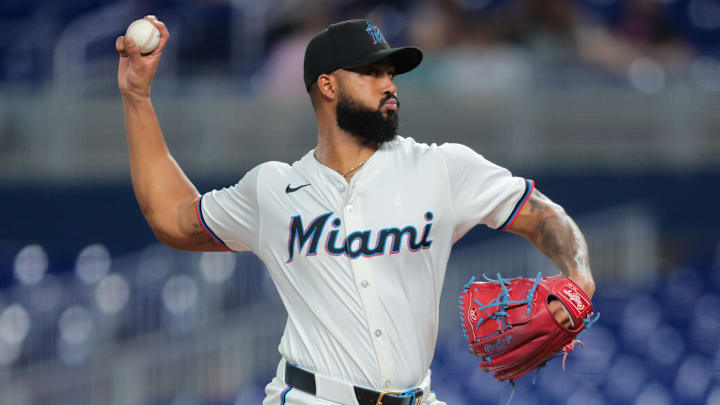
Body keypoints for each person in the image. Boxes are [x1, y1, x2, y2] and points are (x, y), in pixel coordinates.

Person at [116, 16, 596, 405]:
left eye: (390, 73)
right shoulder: (273, 189)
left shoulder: (441, 168)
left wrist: (579, 276)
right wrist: (136, 97)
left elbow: (542, 215)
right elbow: (172, 216)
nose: (389, 85)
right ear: (327, 85)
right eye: (371, 72)